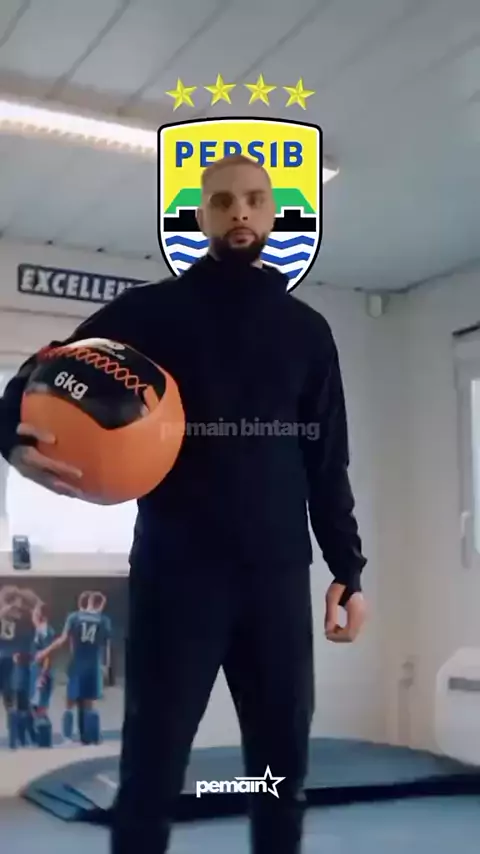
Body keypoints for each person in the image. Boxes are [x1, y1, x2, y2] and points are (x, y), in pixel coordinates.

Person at [0, 153, 367, 853]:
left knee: (280, 775)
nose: (239, 212)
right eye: (222, 201)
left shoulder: (307, 330)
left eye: (253, 199)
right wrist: (11, 440)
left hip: (276, 581)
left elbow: (327, 460)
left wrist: (347, 569)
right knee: (151, 773)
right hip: (177, 575)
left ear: (274, 213)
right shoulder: (148, 312)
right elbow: (41, 372)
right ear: (200, 216)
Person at [36, 590, 111, 745]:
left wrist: (45, 651)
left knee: (70, 701)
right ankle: (91, 737)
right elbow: (106, 646)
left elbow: (63, 640)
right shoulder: (104, 620)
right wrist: (106, 666)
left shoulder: (74, 617)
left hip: (77, 663)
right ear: (100, 604)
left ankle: (68, 737)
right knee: (89, 703)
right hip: (93, 665)